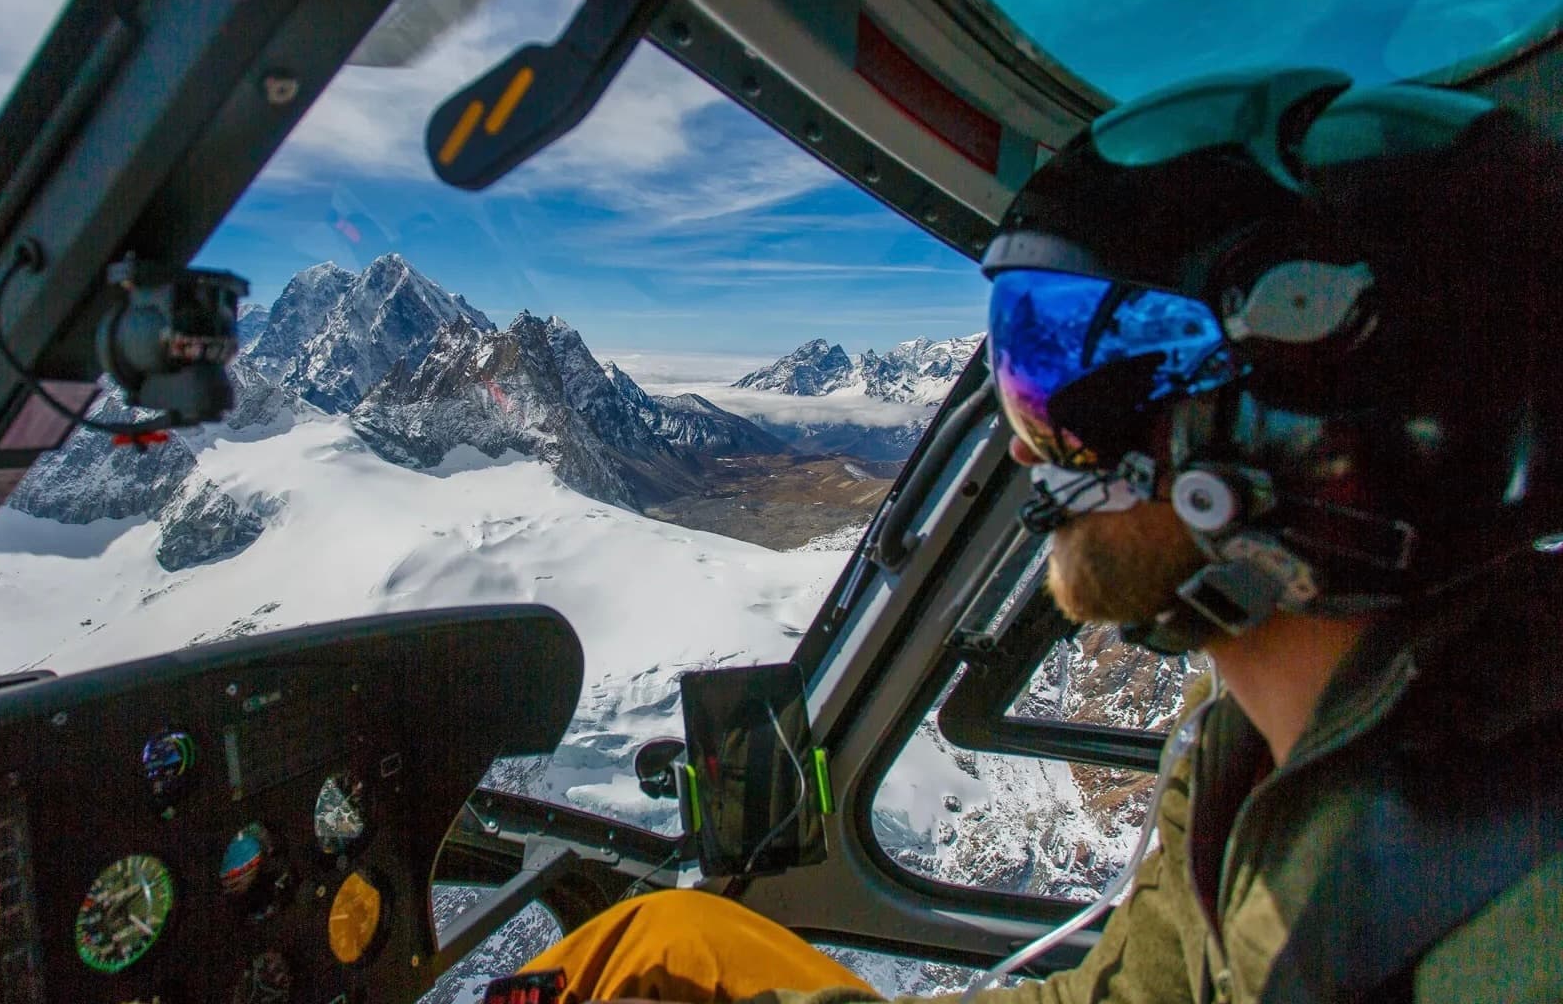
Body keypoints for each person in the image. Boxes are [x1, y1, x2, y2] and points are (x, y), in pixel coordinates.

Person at [510, 67, 1563, 1003]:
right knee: (663, 935)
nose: (1027, 453)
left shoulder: (1507, 932)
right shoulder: (1241, 737)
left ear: (1282, 431)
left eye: (1062, 391)